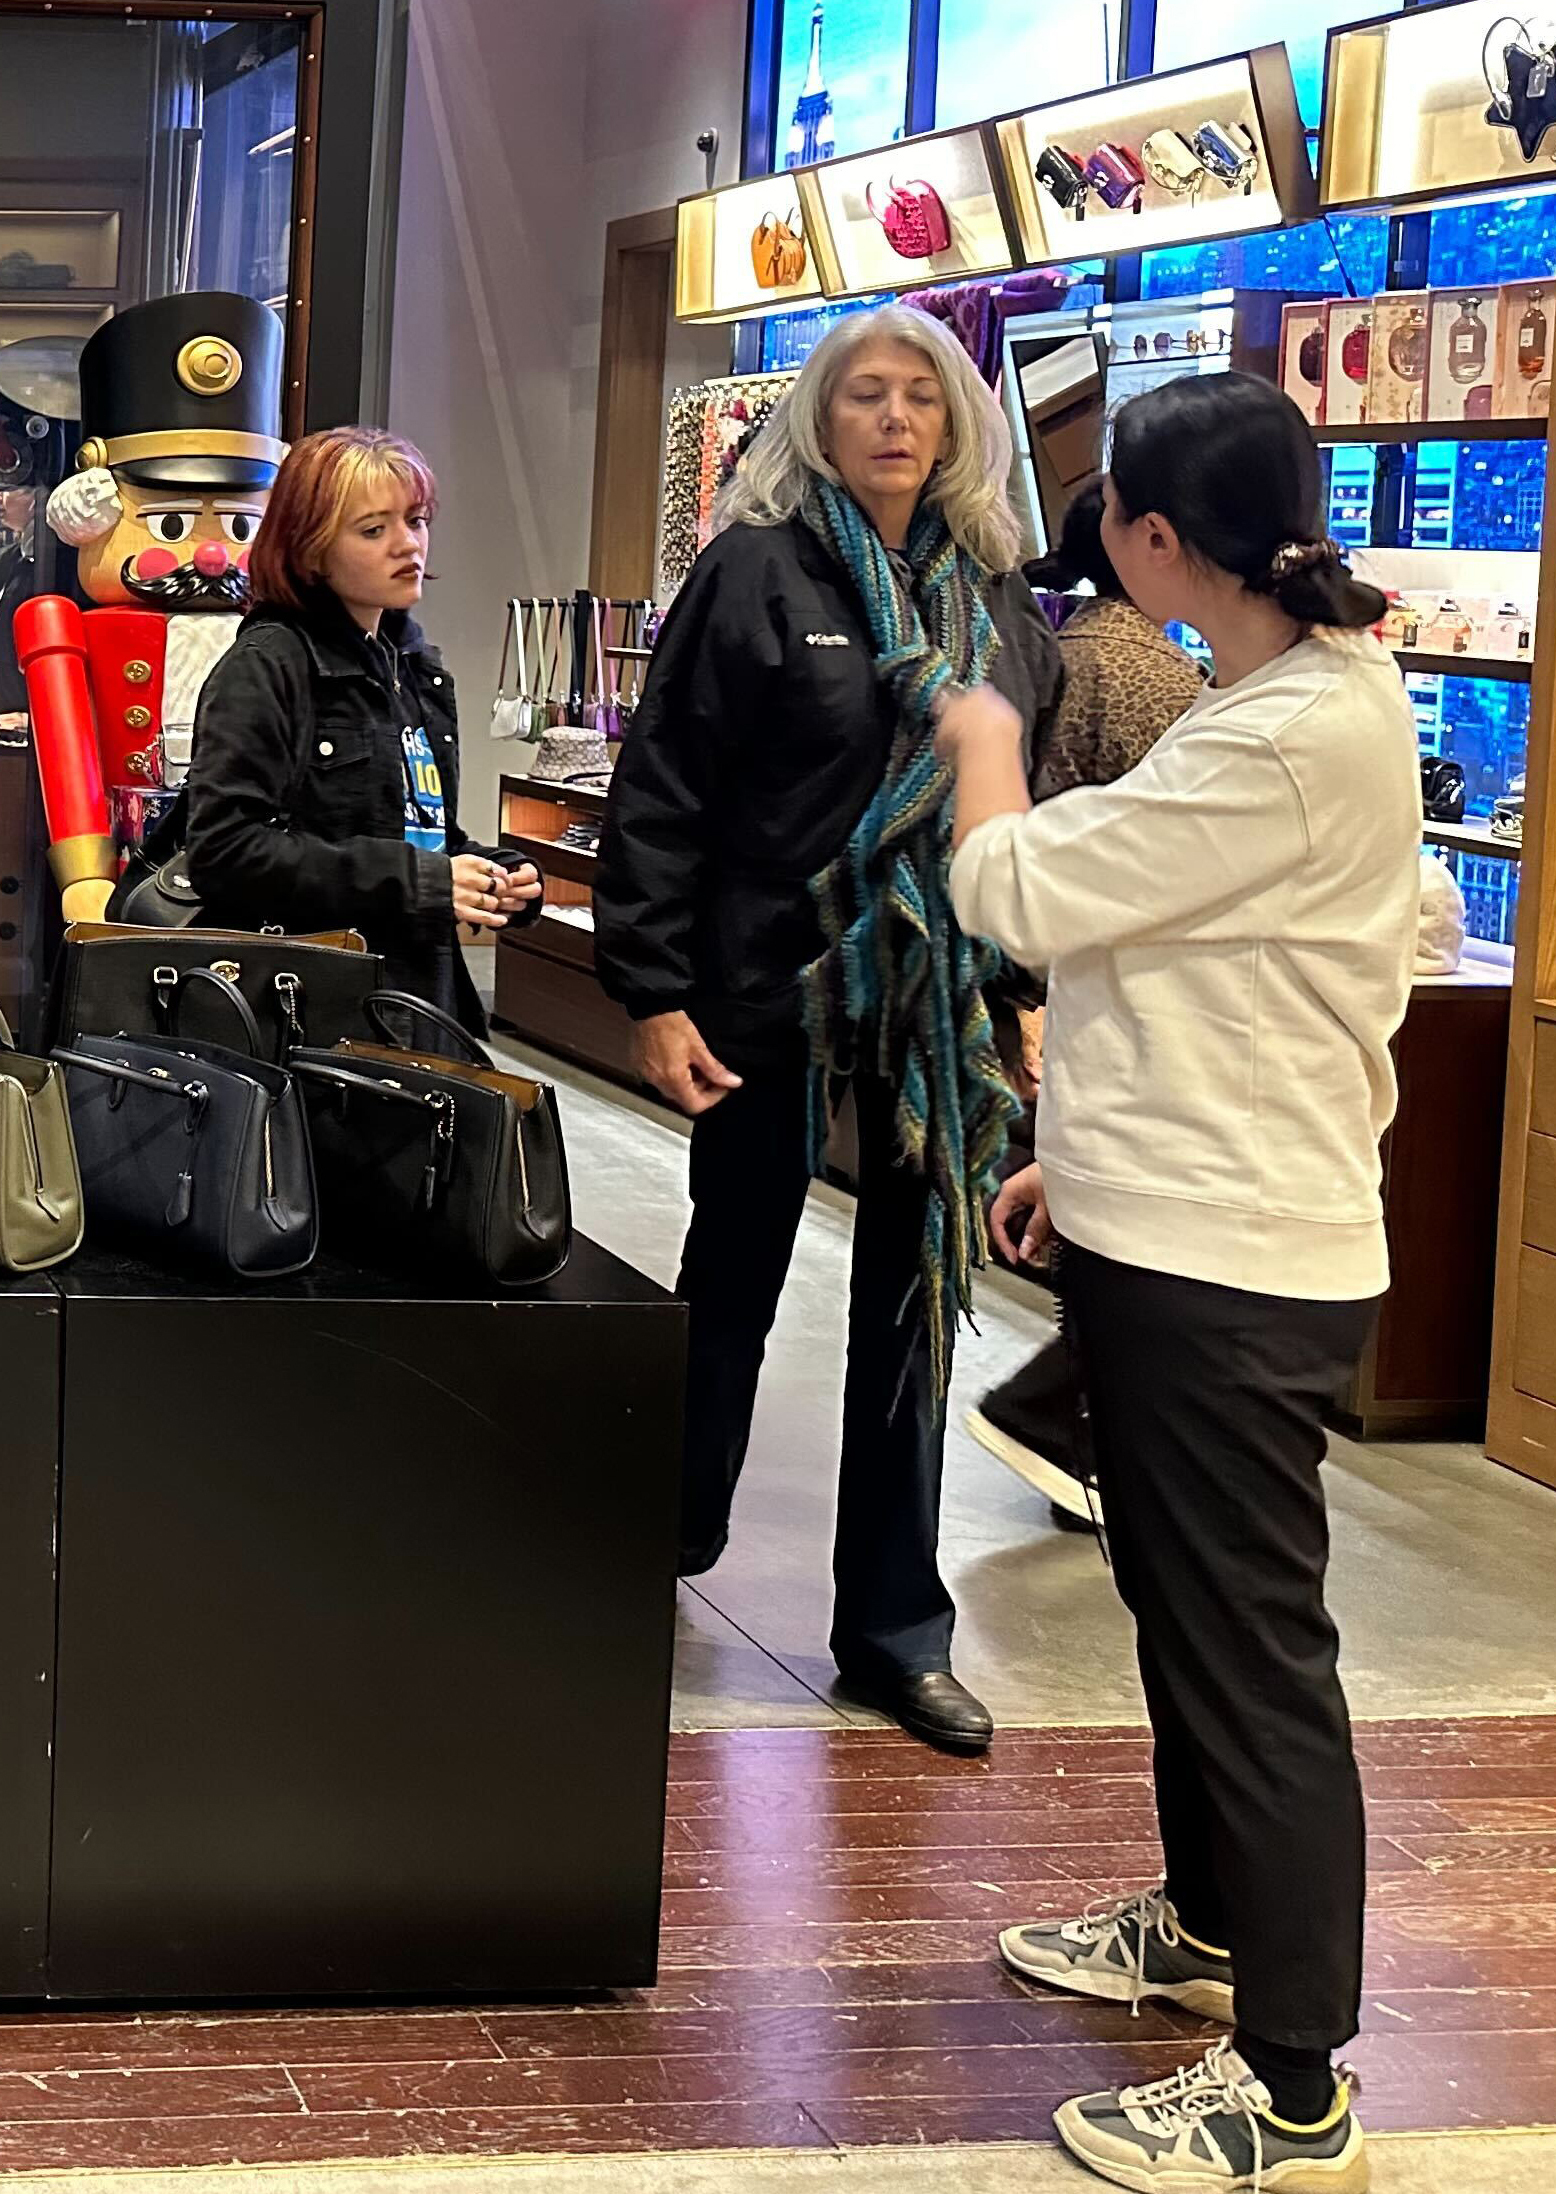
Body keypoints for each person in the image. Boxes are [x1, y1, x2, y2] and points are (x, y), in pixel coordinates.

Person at [943, 369, 1407, 2194]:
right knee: (1184, 1612)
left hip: (1234, 1258)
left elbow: (1019, 892)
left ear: (1151, 537)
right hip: (1180, 1212)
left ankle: (1290, 2083)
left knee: (1248, 1653)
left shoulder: (1283, 732)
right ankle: (1206, 1924)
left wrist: (985, 735)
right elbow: (1226, 966)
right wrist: (1091, 1151)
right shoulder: (1286, 701)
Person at [593, 303, 1063, 1754]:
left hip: (935, 1011)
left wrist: (1025, 993)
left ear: (963, 423)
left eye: (923, 396)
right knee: (728, 1276)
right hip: (764, 993)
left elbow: (1017, 819)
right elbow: (662, 789)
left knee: (918, 1304)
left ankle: (893, 1634)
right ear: (818, 418)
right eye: (865, 394)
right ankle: (648, 1557)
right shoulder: (754, 573)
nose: (895, 419)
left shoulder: (996, 606)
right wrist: (652, 990)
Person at [967, 483, 1210, 1532]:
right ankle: (1065, 1418)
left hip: (1046, 956)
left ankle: (1074, 1423)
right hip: (1105, 966)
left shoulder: (1059, 643)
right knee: (1128, 1216)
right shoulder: (1159, 673)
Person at [178, 425, 541, 1037]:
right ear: (312, 549)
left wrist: (489, 874)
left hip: (420, 999)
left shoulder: (415, 667)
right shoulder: (268, 666)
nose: (408, 545)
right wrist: (419, 879)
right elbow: (225, 851)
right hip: (311, 1018)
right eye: (374, 530)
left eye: (417, 520)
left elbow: (421, 833)